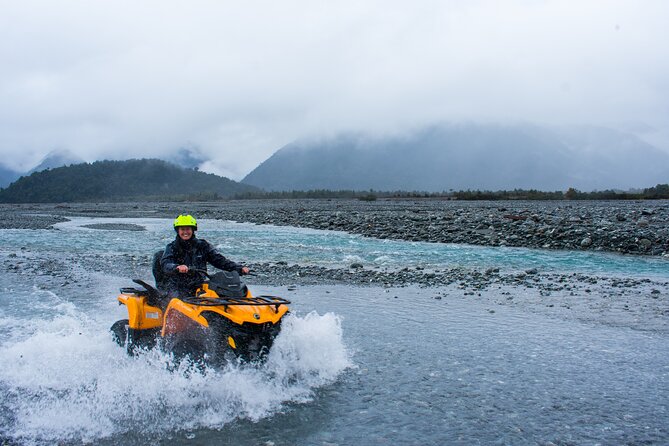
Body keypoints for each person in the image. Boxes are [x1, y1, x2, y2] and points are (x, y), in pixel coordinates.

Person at [160, 214, 250, 297]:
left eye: (188, 229)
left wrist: (239, 268)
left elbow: (219, 260)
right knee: (177, 305)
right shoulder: (172, 247)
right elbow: (166, 263)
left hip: (199, 284)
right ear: (178, 231)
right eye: (182, 229)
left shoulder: (203, 245)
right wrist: (177, 267)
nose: (185, 232)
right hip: (177, 286)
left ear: (193, 230)